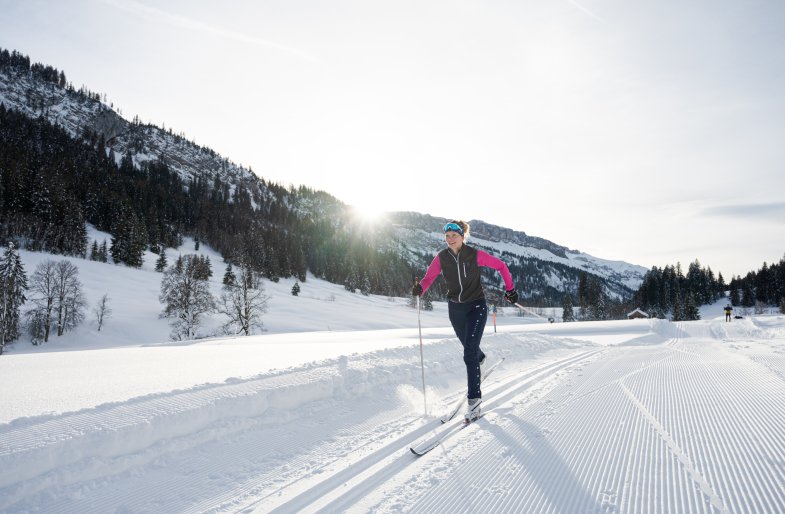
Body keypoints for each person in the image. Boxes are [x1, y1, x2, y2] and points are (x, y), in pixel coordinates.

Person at [411, 220, 518, 422]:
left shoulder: (474, 255)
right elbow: (428, 279)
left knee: (468, 352)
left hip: (476, 307)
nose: (450, 239)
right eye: (447, 236)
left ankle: (474, 402)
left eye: (454, 235)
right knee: (471, 348)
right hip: (456, 310)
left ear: (462, 236)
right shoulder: (441, 258)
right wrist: (420, 289)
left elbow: (501, 266)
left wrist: (510, 289)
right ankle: (481, 359)